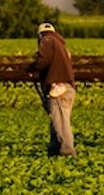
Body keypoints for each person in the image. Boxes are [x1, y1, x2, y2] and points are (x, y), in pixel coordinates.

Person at [27, 22, 76, 156]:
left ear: (40, 34)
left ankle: (66, 151)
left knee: (60, 122)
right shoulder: (62, 46)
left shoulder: (47, 40)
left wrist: (32, 68)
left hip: (57, 87)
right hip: (68, 88)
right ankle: (54, 149)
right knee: (58, 120)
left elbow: (43, 60)